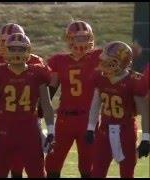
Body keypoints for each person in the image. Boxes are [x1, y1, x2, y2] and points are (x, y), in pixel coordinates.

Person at [0, 22, 46, 178]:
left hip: (25, 120)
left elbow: (44, 95)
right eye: (3, 42)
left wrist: (39, 119)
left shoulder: (34, 62)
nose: (8, 46)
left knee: (18, 165)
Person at [45, 20, 102, 178]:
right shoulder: (58, 61)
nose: (82, 42)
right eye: (78, 38)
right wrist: (39, 111)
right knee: (52, 164)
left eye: (85, 38)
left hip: (88, 119)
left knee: (87, 166)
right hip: (64, 119)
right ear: (69, 39)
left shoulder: (99, 57)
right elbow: (50, 90)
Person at [85, 41, 149, 178]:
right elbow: (95, 104)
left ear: (122, 63)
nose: (104, 65)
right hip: (104, 129)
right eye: (104, 60)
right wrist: (90, 128)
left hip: (126, 130)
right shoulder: (99, 77)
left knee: (127, 172)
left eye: (110, 62)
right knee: (97, 171)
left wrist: (146, 138)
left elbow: (145, 112)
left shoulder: (134, 80)